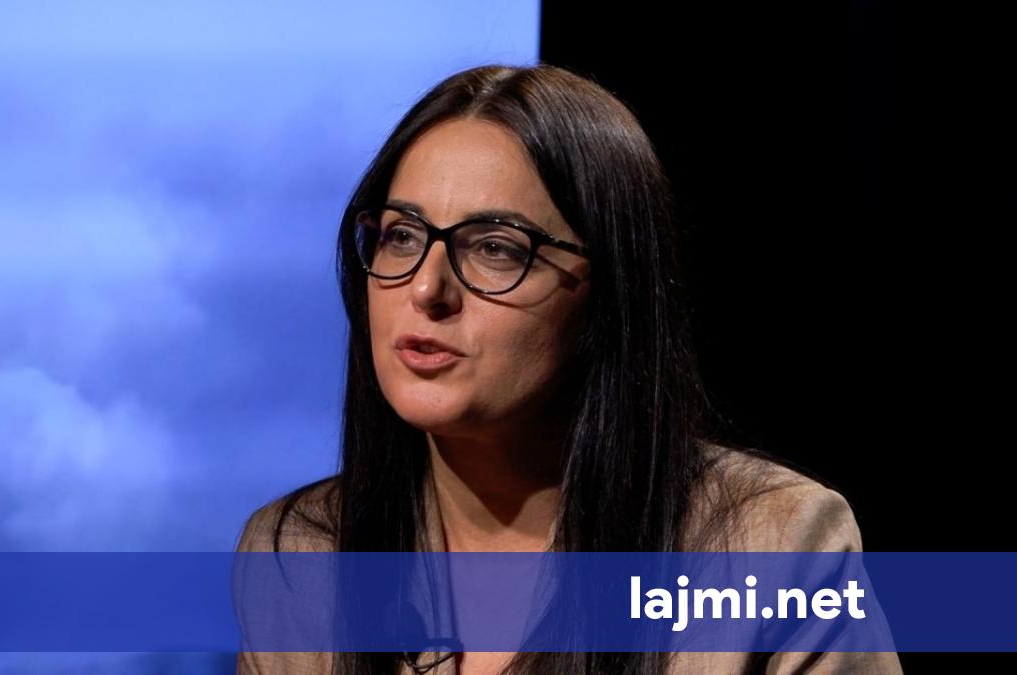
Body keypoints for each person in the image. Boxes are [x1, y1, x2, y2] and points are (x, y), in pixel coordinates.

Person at [234, 63, 902, 674]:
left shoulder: (774, 550)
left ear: (610, 290)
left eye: (495, 248)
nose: (427, 288)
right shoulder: (300, 559)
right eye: (402, 236)